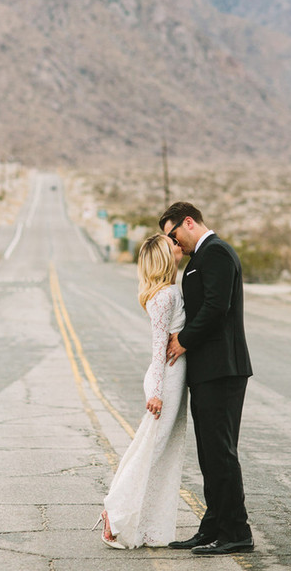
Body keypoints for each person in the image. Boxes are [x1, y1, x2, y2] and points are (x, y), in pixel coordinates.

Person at [159, 201, 254, 555]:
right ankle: (213, 526)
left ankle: (237, 532)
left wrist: (182, 340)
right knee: (209, 454)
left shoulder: (217, 253)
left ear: (188, 222)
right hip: (207, 371)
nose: (174, 243)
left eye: (173, 235)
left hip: (222, 369)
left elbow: (217, 306)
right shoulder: (201, 256)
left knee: (220, 453)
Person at [93, 233, 188, 549]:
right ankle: (115, 512)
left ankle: (144, 524)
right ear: (163, 257)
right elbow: (159, 348)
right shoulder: (164, 297)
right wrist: (157, 392)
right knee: (151, 451)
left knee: (156, 451)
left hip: (173, 379)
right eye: (172, 245)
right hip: (167, 381)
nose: (178, 245)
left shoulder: (170, 291)